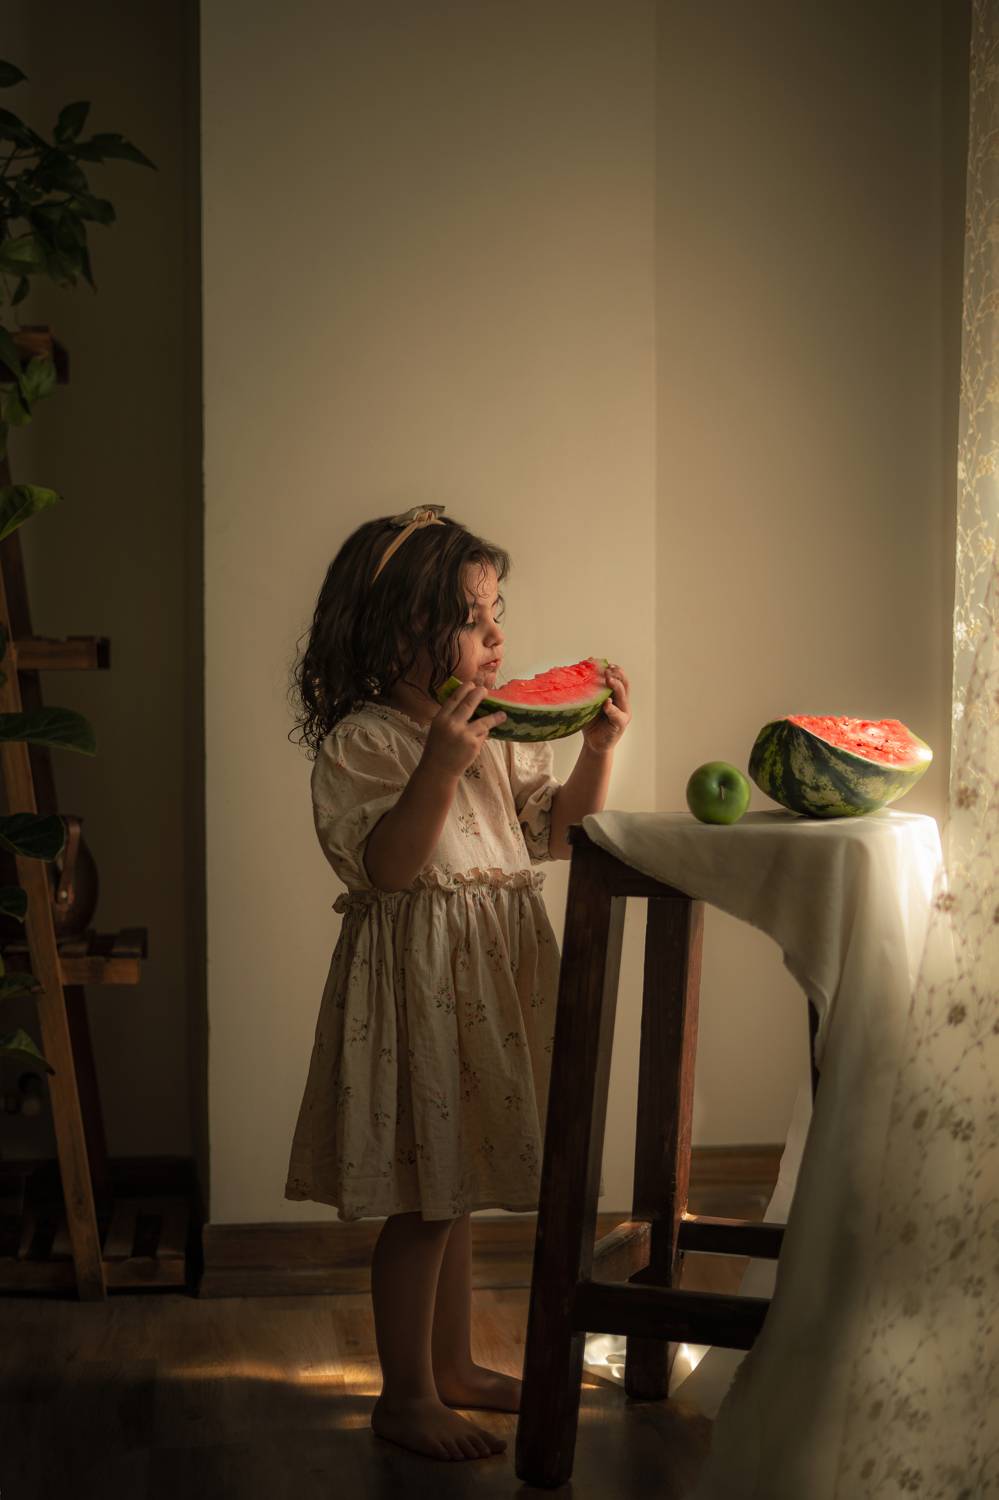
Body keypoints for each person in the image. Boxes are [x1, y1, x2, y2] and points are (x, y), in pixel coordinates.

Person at [283, 504, 631, 1462]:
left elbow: (559, 835)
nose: (495, 636)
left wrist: (597, 751)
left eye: (495, 613)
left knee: (458, 1180)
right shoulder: (365, 744)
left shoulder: (502, 731)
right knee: (424, 1199)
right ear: (397, 629)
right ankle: (404, 1396)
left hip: (487, 980)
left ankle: (456, 1366)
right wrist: (438, 764)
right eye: (470, 618)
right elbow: (389, 867)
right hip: (421, 990)